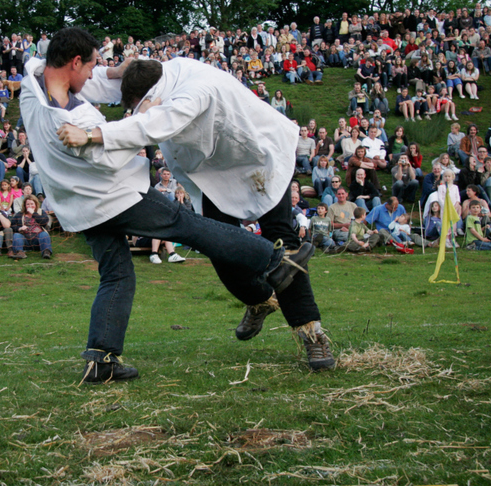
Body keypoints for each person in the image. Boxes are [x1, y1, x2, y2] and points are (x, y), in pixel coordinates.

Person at [41, 29, 328, 381]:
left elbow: (155, 122)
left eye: (139, 107)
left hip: (260, 160)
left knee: (285, 247)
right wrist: (89, 69)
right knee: (220, 248)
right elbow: (86, 78)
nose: (136, 111)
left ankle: (313, 335)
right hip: (211, 173)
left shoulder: (193, 90)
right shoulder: (147, 75)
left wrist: (93, 134)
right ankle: (258, 298)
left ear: (153, 97)